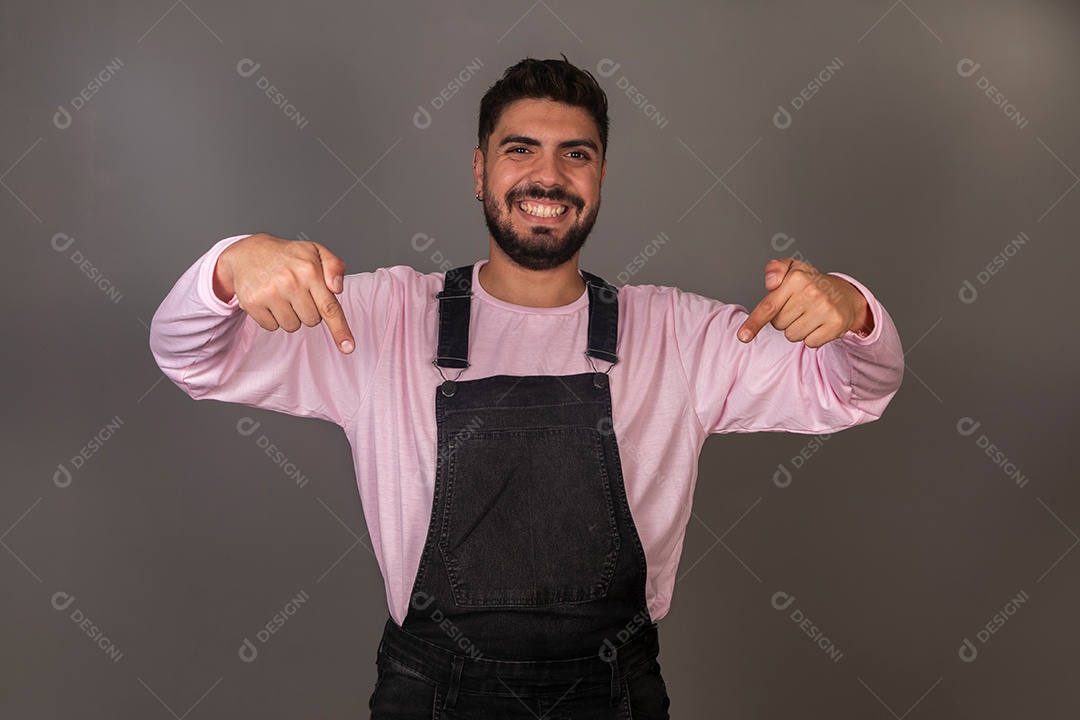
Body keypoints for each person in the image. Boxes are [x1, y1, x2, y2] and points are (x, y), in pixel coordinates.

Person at [150, 56, 903, 719]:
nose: (548, 176)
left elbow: (853, 392)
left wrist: (855, 310)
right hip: (431, 689)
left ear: (600, 175)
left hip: (612, 691)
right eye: (521, 150)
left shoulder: (679, 333)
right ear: (480, 169)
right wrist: (230, 264)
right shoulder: (378, 319)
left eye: (576, 154)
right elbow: (193, 358)